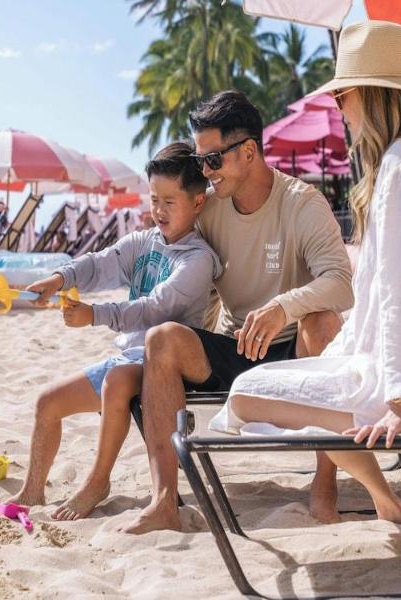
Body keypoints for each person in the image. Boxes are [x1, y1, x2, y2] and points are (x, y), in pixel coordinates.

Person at [212, 20, 401, 525]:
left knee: (245, 396)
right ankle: (380, 496)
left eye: (342, 95)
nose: (339, 106)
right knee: (275, 383)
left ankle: (376, 491)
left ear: (372, 94)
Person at [124, 90, 354, 534]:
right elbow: (175, 266)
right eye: (199, 161)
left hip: (294, 353)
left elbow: (341, 283)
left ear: (248, 152)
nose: (204, 172)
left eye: (212, 160)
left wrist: (283, 307)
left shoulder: (302, 203)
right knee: (161, 340)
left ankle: (325, 485)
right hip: (234, 348)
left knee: (324, 321)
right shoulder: (208, 209)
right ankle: (164, 501)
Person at [0, 141, 222, 521]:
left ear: (197, 202)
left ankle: (98, 482)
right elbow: (99, 263)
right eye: (153, 199)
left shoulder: (198, 259)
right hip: (126, 358)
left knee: (116, 381)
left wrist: (94, 315)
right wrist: (58, 279)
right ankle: (32, 491)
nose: (159, 210)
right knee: (47, 403)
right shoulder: (143, 241)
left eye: (169, 202)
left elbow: (155, 308)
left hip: (164, 364)